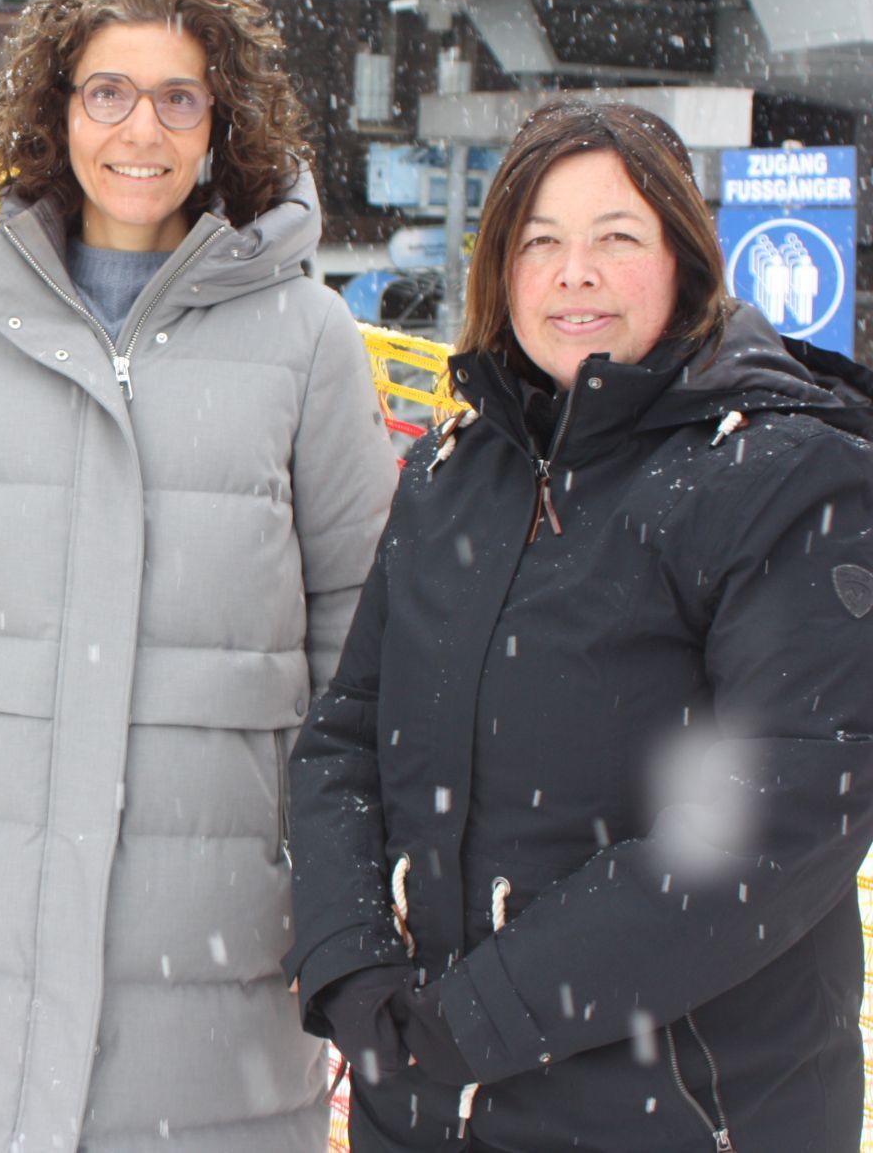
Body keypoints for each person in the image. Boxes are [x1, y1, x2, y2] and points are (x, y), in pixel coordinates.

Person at [0, 0, 396, 1150]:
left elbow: (358, 623)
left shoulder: (304, 337)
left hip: (220, 882)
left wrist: (348, 875)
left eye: (176, 97)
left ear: (219, 124)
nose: (137, 128)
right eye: (106, 92)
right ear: (57, 113)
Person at [284, 100, 873, 1152]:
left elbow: (779, 816)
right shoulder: (448, 475)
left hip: (687, 1114)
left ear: (684, 258)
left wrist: (485, 1012)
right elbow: (344, 739)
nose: (574, 274)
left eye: (615, 239)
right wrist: (347, 958)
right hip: (421, 1105)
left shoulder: (785, 475)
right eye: (539, 242)